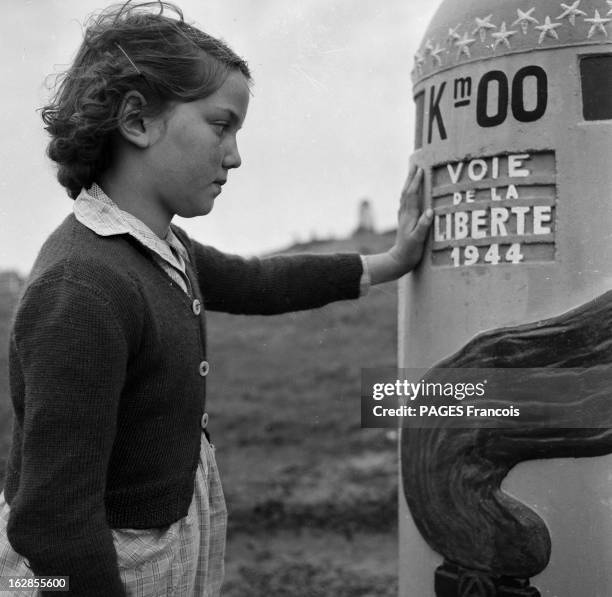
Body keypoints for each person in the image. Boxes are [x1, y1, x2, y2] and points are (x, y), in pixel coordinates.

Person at [0, 2, 432, 595]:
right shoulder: (82, 287)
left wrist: (389, 262)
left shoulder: (159, 247)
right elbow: (52, 523)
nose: (234, 156)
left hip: (167, 540)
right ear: (137, 121)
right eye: (221, 125)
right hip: (104, 571)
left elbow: (258, 282)